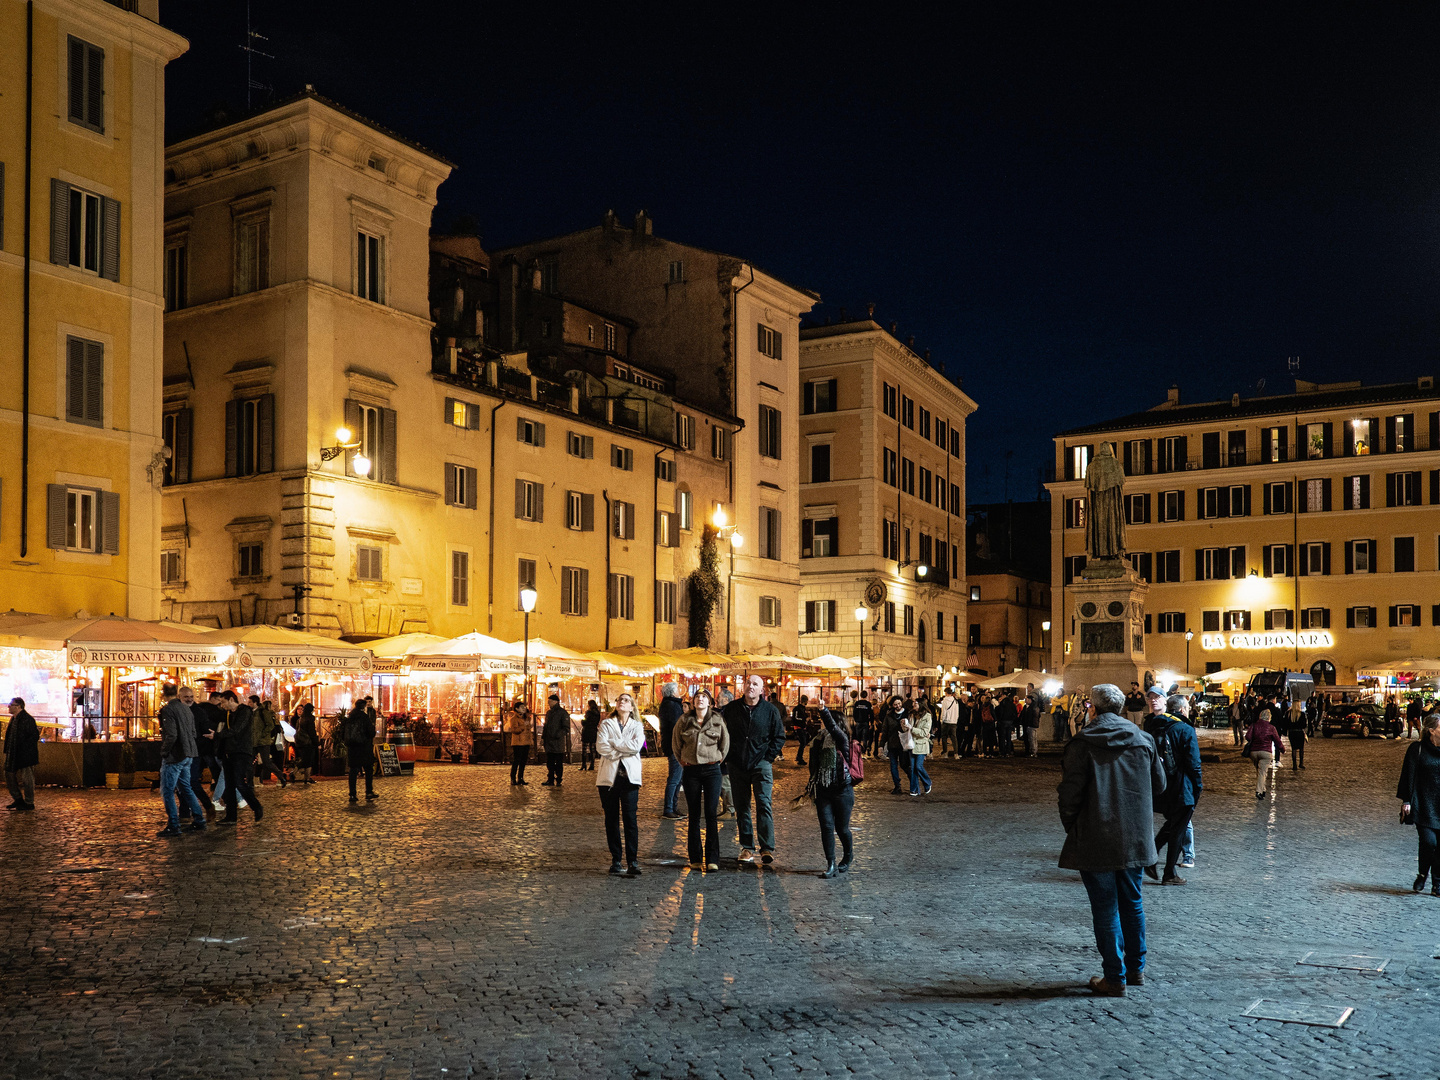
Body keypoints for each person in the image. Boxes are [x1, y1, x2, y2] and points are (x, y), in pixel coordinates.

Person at [1057, 683, 1166, 996]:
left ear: (1092, 707)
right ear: (1121, 708)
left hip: (1096, 834)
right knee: (1132, 903)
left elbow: (1070, 793)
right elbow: (1159, 785)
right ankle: (1135, 969)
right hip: (1134, 835)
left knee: (1105, 908)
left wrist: (1072, 825)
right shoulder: (1143, 740)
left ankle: (1114, 977)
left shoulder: (1083, 742)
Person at [722, 674, 786, 867]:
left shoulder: (770, 710)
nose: (751, 686)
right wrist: (729, 756)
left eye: (755, 684)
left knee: (764, 803)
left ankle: (767, 848)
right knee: (742, 807)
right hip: (737, 765)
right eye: (748, 683)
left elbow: (779, 736)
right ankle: (747, 847)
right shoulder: (731, 709)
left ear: (761, 690)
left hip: (761, 764)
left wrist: (768, 757)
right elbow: (722, 733)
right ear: (744, 686)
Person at [1142, 694, 1202, 885]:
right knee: (1178, 828)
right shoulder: (1185, 729)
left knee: (1173, 825)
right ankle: (1168, 872)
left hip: (1161, 786)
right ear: (1184, 709)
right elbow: (1194, 764)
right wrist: (1198, 787)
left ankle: (1152, 860)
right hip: (1182, 787)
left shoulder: (1154, 726)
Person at [673, 689, 729, 871]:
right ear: (693, 701)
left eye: (704, 697)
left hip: (712, 769)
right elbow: (676, 744)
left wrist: (718, 759)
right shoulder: (684, 721)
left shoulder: (717, 720)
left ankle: (713, 859)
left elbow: (725, 743)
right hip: (691, 770)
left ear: (710, 702)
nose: (700, 699)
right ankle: (695, 858)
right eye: (697, 697)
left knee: (711, 813)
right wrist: (684, 760)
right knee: (694, 814)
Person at [597, 692, 646, 877]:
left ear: (632, 707)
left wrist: (615, 745)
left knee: (630, 820)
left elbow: (636, 746)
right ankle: (616, 859)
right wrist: (622, 750)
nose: (622, 702)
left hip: (630, 779)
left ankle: (632, 860)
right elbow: (601, 746)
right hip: (608, 778)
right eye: (619, 700)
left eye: (626, 700)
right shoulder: (606, 724)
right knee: (611, 819)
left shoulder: (637, 725)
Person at [809, 705, 856, 878]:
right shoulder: (818, 740)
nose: (822, 725)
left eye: (825, 722)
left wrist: (823, 710)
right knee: (827, 828)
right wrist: (812, 785)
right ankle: (830, 864)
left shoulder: (842, 739)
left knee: (842, 828)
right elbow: (813, 765)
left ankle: (848, 855)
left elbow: (832, 727)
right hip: (823, 791)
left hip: (843, 791)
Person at [156, 683, 207, 837]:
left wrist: (164, 751)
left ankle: (173, 824)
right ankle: (199, 819)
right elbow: (193, 732)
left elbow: (171, 735)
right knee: (186, 787)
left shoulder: (168, 709)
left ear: (164, 695)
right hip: (189, 753)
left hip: (175, 755)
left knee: (168, 790)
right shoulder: (186, 709)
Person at [1397, 714, 1440, 895]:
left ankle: (1437, 883)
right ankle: (1423, 874)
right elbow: (1408, 775)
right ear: (1431, 730)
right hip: (1423, 804)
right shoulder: (1417, 749)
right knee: (1428, 842)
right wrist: (1407, 800)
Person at [215, 691, 263, 825]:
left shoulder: (245, 711)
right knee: (229, 785)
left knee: (239, 783)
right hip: (228, 752)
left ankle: (256, 806)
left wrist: (218, 735)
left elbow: (237, 729)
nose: (222, 705)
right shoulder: (228, 714)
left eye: (223, 702)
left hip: (242, 751)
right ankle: (231, 817)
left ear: (231, 699)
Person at [4, 697, 40, 812]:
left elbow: (33, 736)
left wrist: (25, 749)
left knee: (27, 779)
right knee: (8, 774)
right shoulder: (13, 719)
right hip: (13, 753)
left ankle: (29, 802)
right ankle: (18, 799)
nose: (9, 707)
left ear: (18, 706)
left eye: (11, 705)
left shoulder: (27, 719)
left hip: (25, 755)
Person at [343, 697, 379, 804]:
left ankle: (352, 794)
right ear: (363, 707)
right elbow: (371, 733)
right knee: (368, 769)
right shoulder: (364, 717)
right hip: (364, 747)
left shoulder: (349, 717)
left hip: (352, 748)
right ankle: (368, 791)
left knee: (353, 771)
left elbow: (343, 733)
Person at [1245, 708, 1285, 799]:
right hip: (1266, 753)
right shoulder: (1271, 728)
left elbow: (1248, 736)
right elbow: (1277, 741)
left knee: (1259, 772)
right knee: (1262, 772)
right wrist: (1282, 749)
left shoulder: (1254, 725)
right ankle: (1259, 791)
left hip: (1254, 752)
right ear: (1269, 717)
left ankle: (1263, 790)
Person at [658, 683, 685, 816]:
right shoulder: (672, 705)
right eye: (678, 690)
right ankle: (669, 808)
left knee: (678, 778)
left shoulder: (669, 704)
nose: (680, 692)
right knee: (675, 778)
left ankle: (673, 807)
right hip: (675, 746)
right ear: (673, 692)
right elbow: (677, 726)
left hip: (673, 744)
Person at [879, 695, 908, 793]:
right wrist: (881, 745)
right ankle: (897, 786)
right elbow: (885, 731)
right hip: (892, 744)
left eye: (899, 703)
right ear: (892, 705)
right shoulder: (889, 716)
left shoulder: (907, 714)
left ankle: (913, 781)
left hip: (904, 744)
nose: (898, 706)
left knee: (904, 765)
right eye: (895, 704)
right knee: (893, 766)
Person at [541, 694, 570, 787]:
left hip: (558, 742)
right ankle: (550, 779)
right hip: (549, 741)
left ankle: (558, 779)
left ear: (556, 701)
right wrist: (543, 738)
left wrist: (558, 734)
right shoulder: (549, 713)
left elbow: (566, 727)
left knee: (558, 762)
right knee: (550, 762)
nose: (549, 703)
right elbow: (546, 726)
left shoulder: (562, 713)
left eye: (550, 701)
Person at [908, 697, 933, 796]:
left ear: (921, 705)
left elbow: (924, 732)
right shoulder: (912, 715)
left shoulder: (927, 717)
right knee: (913, 768)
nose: (914, 705)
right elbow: (908, 729)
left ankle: (927, 782)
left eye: (916, 703)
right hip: (912, 744)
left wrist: (912, 729)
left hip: (921, 745)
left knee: (918, 766)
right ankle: (914, 789)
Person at [505, 700, 533, 785]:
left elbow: (528, 729)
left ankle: (521, 778)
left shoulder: (527, 718)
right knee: (517, 761)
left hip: (526, 742)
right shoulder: (514, 719)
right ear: (517, 709)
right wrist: (523, 726)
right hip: (518, 742)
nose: (524, 708)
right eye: (522, 707)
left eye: (524, 707)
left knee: (523, 761)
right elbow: (514, 730)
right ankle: (513, 778)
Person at [294, 702, 319, 785]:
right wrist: (316, 742)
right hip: (307, 742)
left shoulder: (300, 719)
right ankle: (304, 777)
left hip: (300, 741)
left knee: (305, 759)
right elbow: (312, 732)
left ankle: (305, 777)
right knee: (308, 760)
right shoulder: (309, 719)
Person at [1286, 698, 1308, 770]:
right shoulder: (1301, 714)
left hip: (1292, 732)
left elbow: (1285, 723)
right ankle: (1301, 763)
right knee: (1301, 748)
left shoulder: (1288, 714)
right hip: (1299, 732)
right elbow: (1304, 725)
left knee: (1294, 749)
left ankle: (1294, 765)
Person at [938, 689, 960, 758]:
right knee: (954, 738)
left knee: (944, 737)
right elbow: (957, 712)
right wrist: (955, 720)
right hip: (953, 722)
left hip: (946, 721)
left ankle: (945, 753)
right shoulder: (955, 701)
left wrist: (942, 720)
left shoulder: (945, 701)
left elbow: (943, 712)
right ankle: (956, 753)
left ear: (946, 693)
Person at [852, 690, 874, 757]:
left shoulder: (857, 703)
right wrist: (871, 722)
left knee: (858, 737)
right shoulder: (868, 704)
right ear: (866, 696)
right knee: (865, 738)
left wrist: (855, 720)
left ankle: (858, 750)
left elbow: (854, 713)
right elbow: (871, 714)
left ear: (860, 695)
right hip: (865, 722)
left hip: (858, 722)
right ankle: (864, 752)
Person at [580, 700, 602, 770]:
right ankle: (592, 765)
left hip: (587, 731)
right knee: (592, 749)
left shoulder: (588, 712)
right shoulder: (597, 713)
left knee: (584, 749)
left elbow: (584, 722)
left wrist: (582, 720)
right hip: (594, 731)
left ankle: (584, 764)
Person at [792, 695, 813, 765]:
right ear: (805, 701)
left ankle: (799, 757)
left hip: (802, 727)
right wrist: (804, 719)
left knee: (803, 742)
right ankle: (799, 758)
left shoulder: (802, 708)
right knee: (803, 742)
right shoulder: (797, 709)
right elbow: (795, 718)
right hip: (798, 727)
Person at [1020, 692, 1041, 757]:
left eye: (1026, 699)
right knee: (1029, 739)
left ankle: (1033, 752)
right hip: (1028, 724)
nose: (1025, 701)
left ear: (1030, 700)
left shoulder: (1033, 707)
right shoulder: (1027, 707)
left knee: (1032, 739)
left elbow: (1034, 716)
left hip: (1031, 725)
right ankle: (1030, 751)